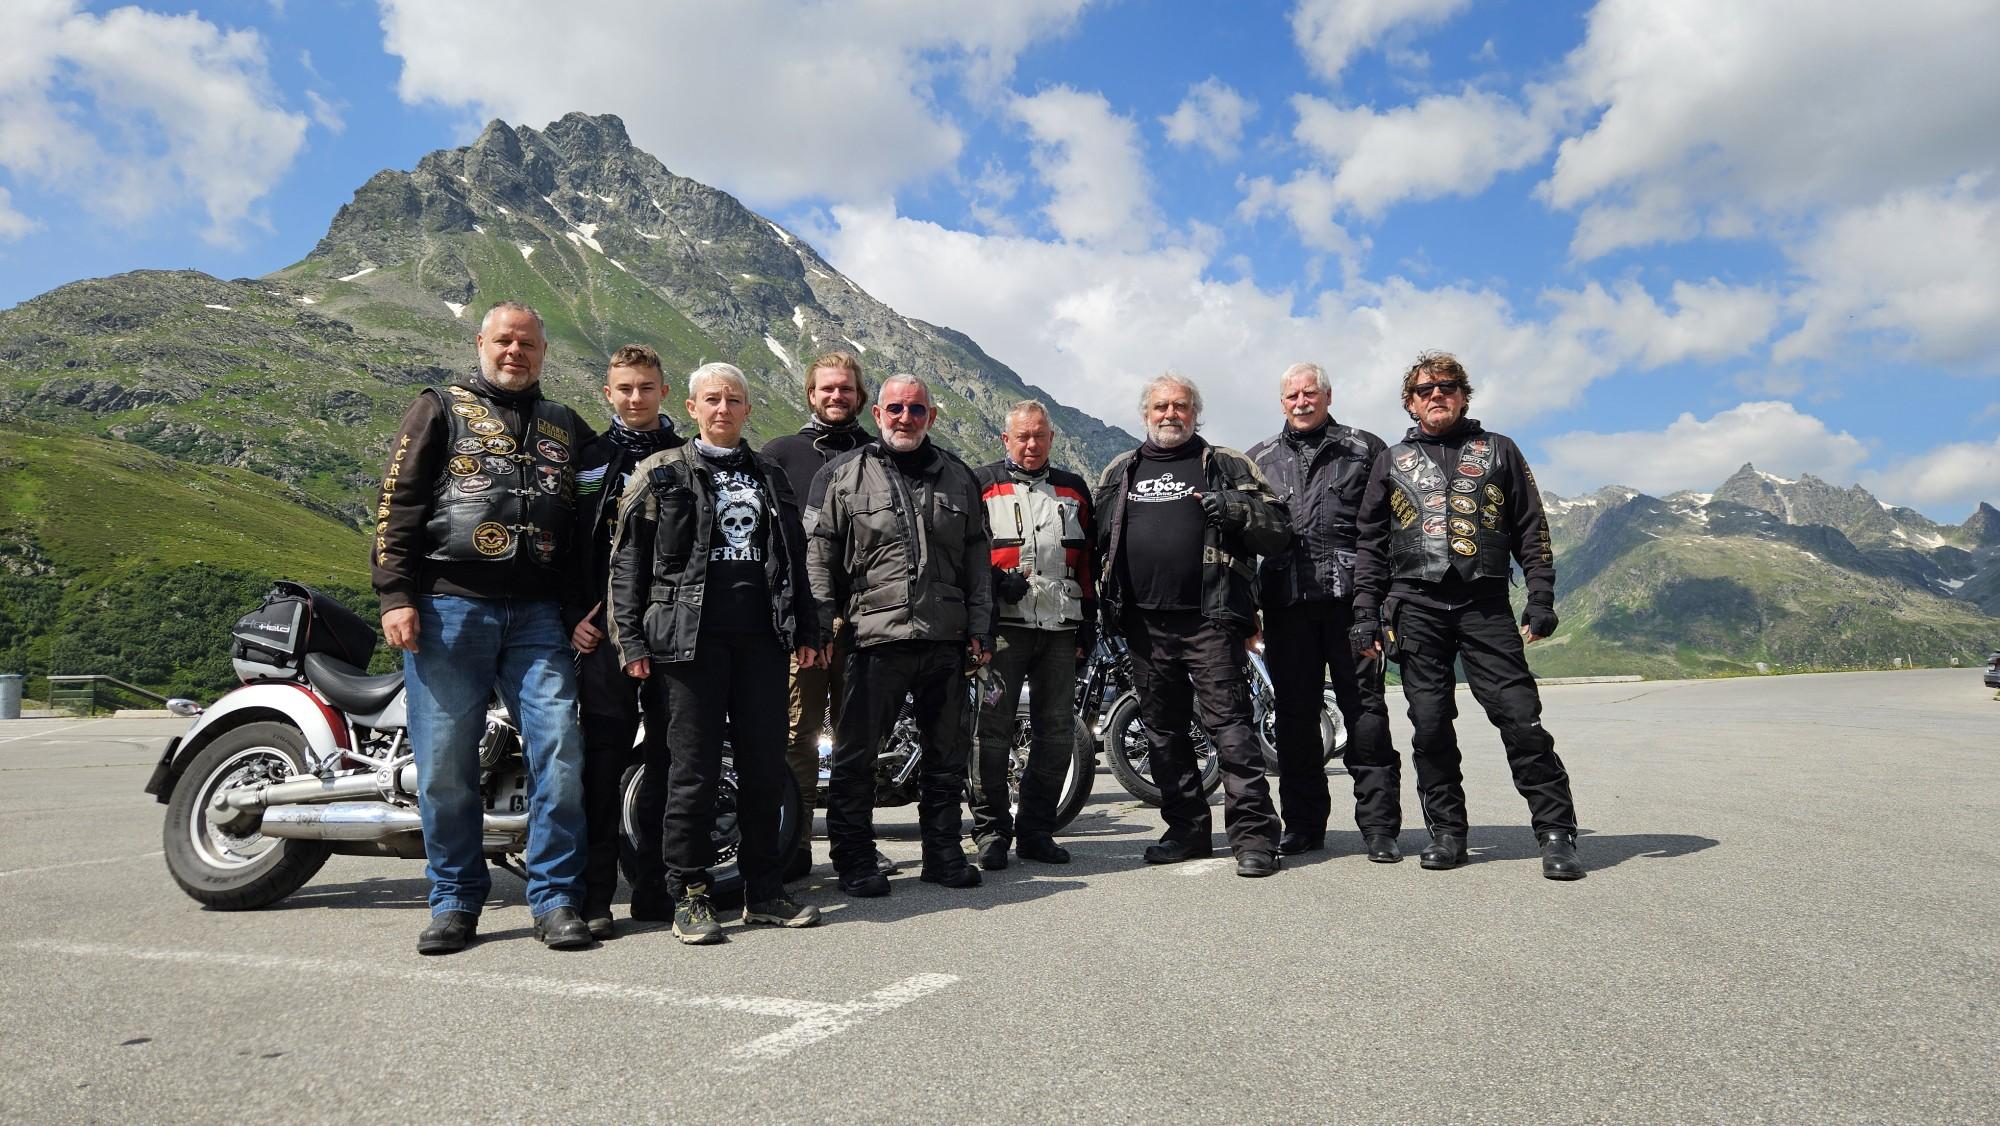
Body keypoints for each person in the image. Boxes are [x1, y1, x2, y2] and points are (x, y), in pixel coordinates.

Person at [371, 300, 596, 954]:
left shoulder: (565, 424)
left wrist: (582, 605)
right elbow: (399, 499)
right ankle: (455, 900)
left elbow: (590, 521)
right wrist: (395, 594)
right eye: (503, 341)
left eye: (526, 342)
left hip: (537, 617)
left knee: (560, 749)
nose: (514, 352)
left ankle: (554, 898)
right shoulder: (437, 407)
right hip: (447, 608)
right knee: (444, 766)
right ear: (481, 343)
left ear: (543, 351)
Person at [606, 362, 823, 943]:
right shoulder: (660, 472)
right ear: (694, 408)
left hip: (763, 643)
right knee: (690, 773)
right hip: (685, 646)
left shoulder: (771, 476)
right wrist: (628, 638)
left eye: (733, 399)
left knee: (762, 771)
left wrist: (808, 629)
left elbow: (795, 562)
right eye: (712, 399)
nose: (723, 408)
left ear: (748, 409)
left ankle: (765, 891)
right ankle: (690, 894)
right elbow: (627, 564)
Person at [1350, 351, 1583, 880]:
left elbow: (1532, 527)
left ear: (1464, 393)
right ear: (1409, 402)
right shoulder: (1390, 460)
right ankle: (1448, 833)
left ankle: (1555, 833)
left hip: (1485, 605)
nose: (1437, 394)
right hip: (1415, 608)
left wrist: (1541, 598)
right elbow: (1369, 544)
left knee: (1521, 720)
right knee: (1430, 727)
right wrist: (1366, 613)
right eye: (1425, 389)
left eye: (1448, 386)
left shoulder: (1500, 450)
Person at [1094, 374, 1292, 877]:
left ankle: (1253, 837)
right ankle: (1186, 831)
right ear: (1145, 413)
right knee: (1162, 732)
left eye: (1180, 406)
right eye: (1160, 405)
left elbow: (1278, 531)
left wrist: (1238, 510)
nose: (1170, 414)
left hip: (1212, 619)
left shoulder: (1225, 464)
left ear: (1195, 412)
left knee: (1230, 728)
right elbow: (1097, 541)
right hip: (1142, 624)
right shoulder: (1121, 470)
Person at [805, 373, 993, 897]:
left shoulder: (959, 475)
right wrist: (821, 625)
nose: (904, 418)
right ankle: (854, 859)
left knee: (946, 754)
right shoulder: (842, 474)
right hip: (873, 638)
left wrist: (981, 627)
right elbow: (818, 557)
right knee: (856, 757)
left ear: (929, 416)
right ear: (879, 413)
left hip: (946, 639)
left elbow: (978, 560)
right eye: (895, 409)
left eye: (915, 409)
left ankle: (942, 853)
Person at [1246, 363, 1403, 862]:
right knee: (1294, 722)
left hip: (1353, 608)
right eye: (1291, 394)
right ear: (1281, 401)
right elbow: (1243, 542)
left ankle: (1379, 828)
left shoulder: (1365, 448)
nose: (1301, 401)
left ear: (1328, 395)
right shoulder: (1257, 460)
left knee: (1367, 716)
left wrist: (1382, 607)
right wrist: (1247, 609)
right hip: (1286, 609)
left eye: (1309, 392)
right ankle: (1304, 826)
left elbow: (1390, 532)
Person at [562, 345, 684, 938]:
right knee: (601, 765)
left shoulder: (690, 460)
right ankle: (594, 896)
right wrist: (570, 617)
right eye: (624, 388)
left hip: (670, 637)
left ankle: (656, 889)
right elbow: (556, 543)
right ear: (606, 394)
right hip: (600, 639)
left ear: (664, 391)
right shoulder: (585, 457)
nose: (635, 398)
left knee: (665, 761)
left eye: (646, 387)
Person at [759, 351, 884, 882]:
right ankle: (795, 841)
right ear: (810, 394)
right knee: (798, 737)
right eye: (827, 389)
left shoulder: (879, 454)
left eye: (846, 390)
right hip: (803, 623)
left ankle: (855, 844)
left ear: (860, 397)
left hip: (865, 620)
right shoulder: (780, 453)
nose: (837, 397)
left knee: (859, 738)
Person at [967, 400, 1097, 870]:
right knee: (992, 731)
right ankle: (991, 832)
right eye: (1021, 436)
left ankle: (1037, 830)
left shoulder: (1074, 489)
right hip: (1004, 630)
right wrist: (991, 588)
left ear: (1051, 439)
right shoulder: (981, 483)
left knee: (1057, 731)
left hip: (1061, 630)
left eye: (1039, 435)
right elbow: (966, 553)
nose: (1030, 444)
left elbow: (1089, 564)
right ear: (1006, 439)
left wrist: (1088, 625)